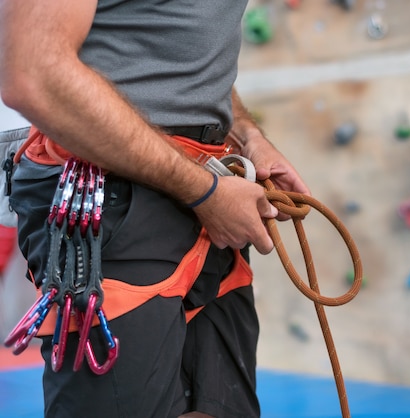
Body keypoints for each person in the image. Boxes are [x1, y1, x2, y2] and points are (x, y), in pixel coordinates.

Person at [0, 1, 309, 417]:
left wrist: (249, 135)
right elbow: (32, 73)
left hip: (207, 183)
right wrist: (204, 193)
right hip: (113, 189)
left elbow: (181, 48)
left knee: (219, 405)